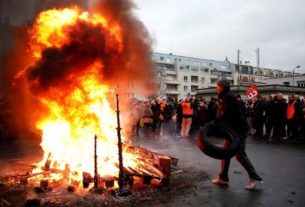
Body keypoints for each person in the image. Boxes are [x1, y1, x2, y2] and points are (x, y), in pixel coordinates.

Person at [211, 79, 263, 190]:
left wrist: (216, 122)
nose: (217, 88)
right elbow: (222, 114)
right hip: (231, 131)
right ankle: (223, 177)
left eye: (218, 86)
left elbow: (229, 113)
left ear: (223, 87)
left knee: (239, 155)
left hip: (239, 131)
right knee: (225, 154)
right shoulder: (224, 98)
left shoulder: (229, 97)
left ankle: (254, 178)